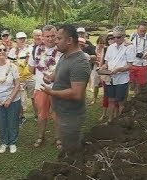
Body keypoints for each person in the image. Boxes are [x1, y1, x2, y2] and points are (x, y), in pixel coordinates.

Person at [41, 24, 91, 155]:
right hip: (62, 112)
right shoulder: (65, 56)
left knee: (72, 150)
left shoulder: (80, 63)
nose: (55, 41)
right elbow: (59, 72)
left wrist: (52, 92)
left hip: (71, 116)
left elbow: (77, 93)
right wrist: (51, 78)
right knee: (66, 145)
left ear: (69, 41)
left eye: (58, 38)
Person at [28, 25, 63, 149]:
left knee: (57, 114)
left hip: (57, 88)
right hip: (41, 87)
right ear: (42, 37)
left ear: (57, 35)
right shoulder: (35, 50)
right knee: (41, 115)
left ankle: (58, 138)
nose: (50, 39)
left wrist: (53, 76)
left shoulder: (61, 50)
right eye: (47, 36)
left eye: (53, 36)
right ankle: (41, 136)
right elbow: (31, 68)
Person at [99, 26, 136, 123]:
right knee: (110, 100)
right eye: (113, 37)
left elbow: (130, 65)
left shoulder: (129, 47)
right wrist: (103, 67)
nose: (115, 39)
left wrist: (119, 69)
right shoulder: (110, 47)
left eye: (118, 37)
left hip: (122, 79)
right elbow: (107, 62)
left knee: (120, 102)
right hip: (110, 79)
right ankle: (110, 120)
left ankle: (120, 122)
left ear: (124, 36)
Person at [8, 32, 36, 125]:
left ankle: (37, 115)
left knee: (34, 97)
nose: (22, 40)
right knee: (20, 99)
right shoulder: (13, 51)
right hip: (20, 79)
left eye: (24, 38)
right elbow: (10, 64)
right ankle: (21, 116)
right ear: (16, 40)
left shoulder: (31, 48)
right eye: (20, 39)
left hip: (30, 76)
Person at [129, 20, 147, 95]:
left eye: (144, 31)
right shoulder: (132, 36)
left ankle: (137, 97)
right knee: (131, 83)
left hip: (143, 64)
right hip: (132, 63)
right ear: (137, 29)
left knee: (140, 84)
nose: (142, 33)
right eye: (141, 31)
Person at [89, 35, 107, 105]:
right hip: (95, 68)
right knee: (95, 84)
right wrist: (95, 62)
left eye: (103, 43)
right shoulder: (94, 48)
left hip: (103, 68)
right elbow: (90, 58)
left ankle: (105, 100)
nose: (102, 44)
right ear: (98, 42)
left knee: (105, 84)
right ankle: (94, 99)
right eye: (100, 43)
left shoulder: (106, 49)